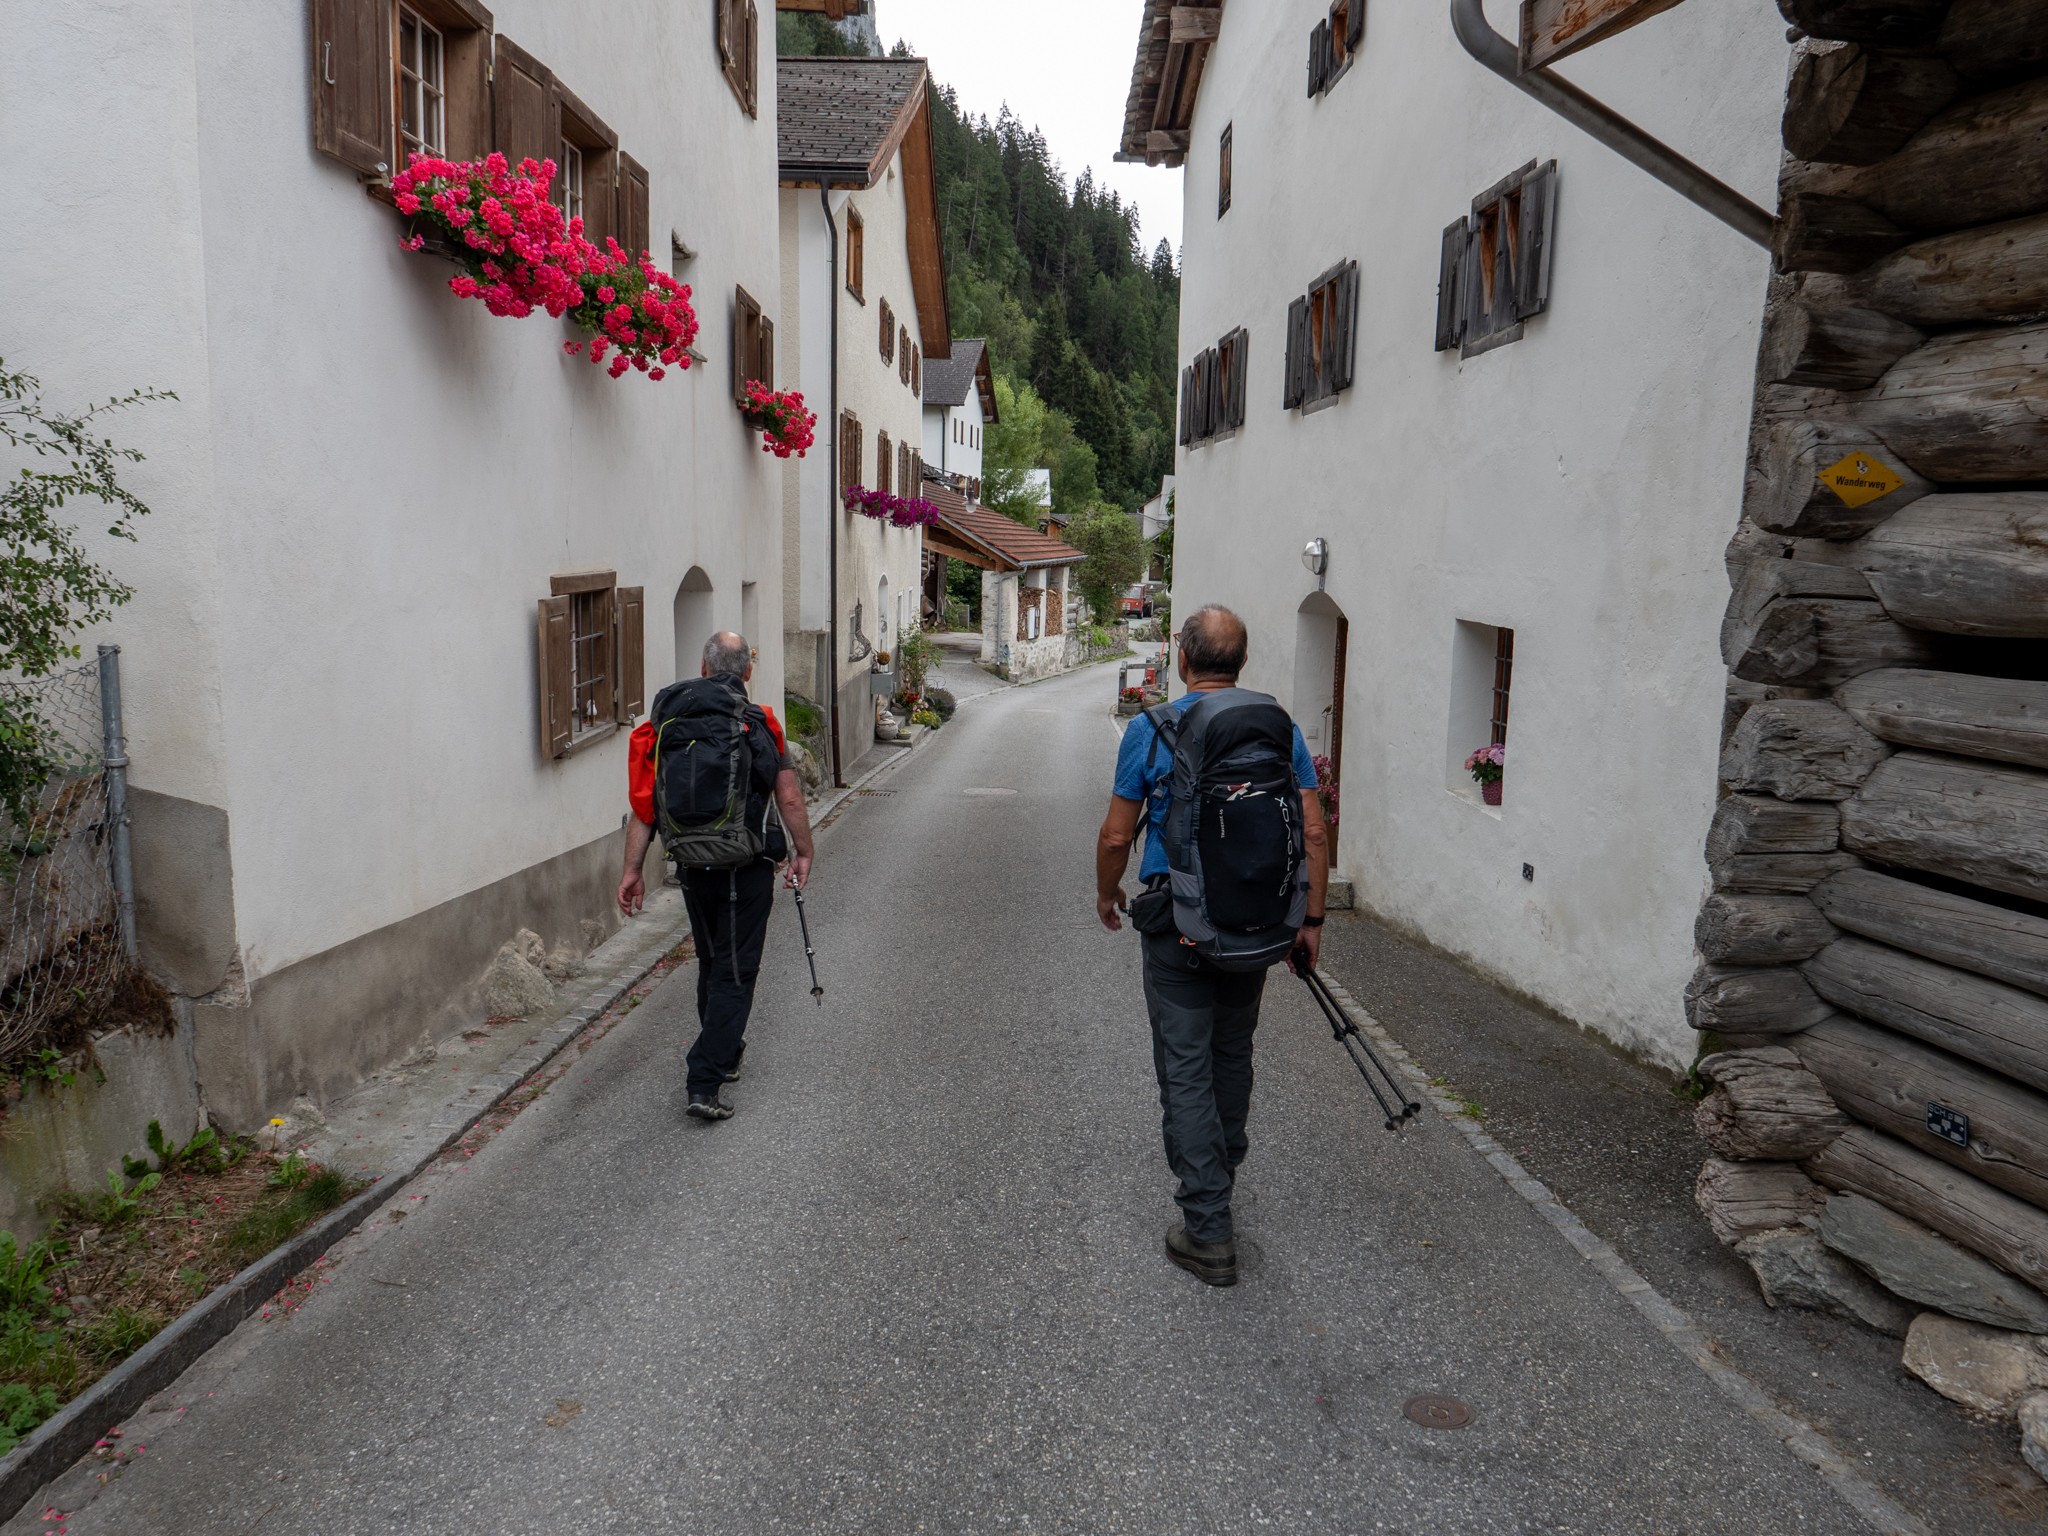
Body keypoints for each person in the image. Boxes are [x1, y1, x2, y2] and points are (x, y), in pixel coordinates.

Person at [1095, 606, 1329, 1287]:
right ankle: (1220, 1166)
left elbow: (1117, 835)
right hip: (1254, 920)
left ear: (1182, 659)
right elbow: (1313, 830)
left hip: (1177, 920)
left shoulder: (1152, 729)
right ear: (1243, 661)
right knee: (1232, 1049)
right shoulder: (1279, 727)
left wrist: (1107, 893)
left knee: (1186, 1063)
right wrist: (1311, 920)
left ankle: (1207, 1227)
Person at [618, 632, 816, 1121]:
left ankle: (725, 1053)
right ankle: (705, 1078)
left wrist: (632, 871)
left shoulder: (663, 725)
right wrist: (803, 851)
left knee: (712, 963)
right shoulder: (759, 721)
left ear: (704, 668)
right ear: (747, 671)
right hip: (745, 868)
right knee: (736, 970)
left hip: (691, 866)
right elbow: (789, 796)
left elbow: (644, 806)